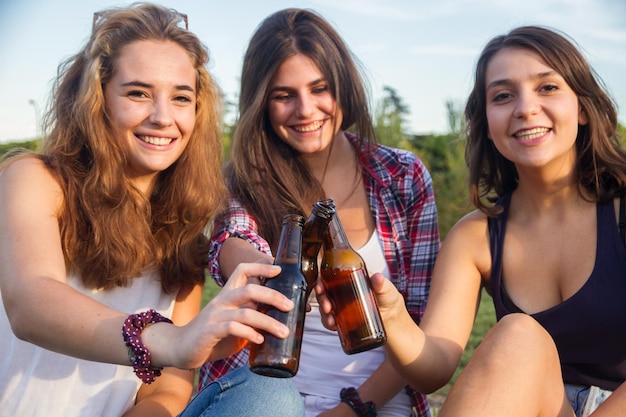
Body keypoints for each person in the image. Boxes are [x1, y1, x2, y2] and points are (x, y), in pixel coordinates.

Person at [0, 4, 303, 417]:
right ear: (97, 99)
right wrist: (174, 341)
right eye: (138, 93)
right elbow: (31, 303)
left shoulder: (185, 231)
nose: (162, 118)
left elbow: (166, 394)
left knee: (268, 394)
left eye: (181, 98)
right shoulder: (35, 179)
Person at [325, 25, 626, 416]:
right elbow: (433, 368)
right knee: (517, 337)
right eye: (503, 95)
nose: (525, 108)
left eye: (547, 87)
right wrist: (393, 317)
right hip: (525, 403)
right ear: (486, 120)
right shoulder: (476, 236)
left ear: (582, 107)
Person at [197, 8, 440, 417]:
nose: (306, 110)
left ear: (343, 86)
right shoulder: (240, 180)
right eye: (284, 95)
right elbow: (232, 240)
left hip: (375, 403)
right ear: (261, 102)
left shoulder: (403, 175)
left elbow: (417, 324)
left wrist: (350, 410)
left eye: (319, 88)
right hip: (264, 393)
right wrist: (282, 275)